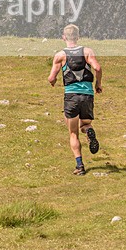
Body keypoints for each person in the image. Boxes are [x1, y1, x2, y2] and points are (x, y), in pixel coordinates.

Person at [47, 24, 102, 176]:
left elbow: (51, 77)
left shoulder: (60, 55)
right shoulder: (87, 52)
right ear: (78, 37)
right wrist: (98, 84)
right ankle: (88, 130)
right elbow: (97, 68)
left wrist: (53, 81)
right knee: (85, 124)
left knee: (73, 133)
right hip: (87, 95)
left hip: (71, 96)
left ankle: (80, 166)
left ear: (63, 37)